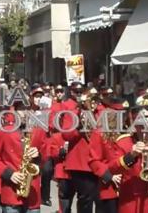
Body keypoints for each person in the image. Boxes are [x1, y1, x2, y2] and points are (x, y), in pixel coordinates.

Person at [107, 107, 148, 213]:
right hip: (132, 204)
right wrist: (130, 156)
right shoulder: (122, 142)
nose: (144, 128)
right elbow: (111, 169)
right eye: (140, 125)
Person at [61, 83, 103, 213]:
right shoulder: (73, 113)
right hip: (81, 163)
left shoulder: (102, 112)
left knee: (101, 198)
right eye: (90, 98)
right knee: (86, 198)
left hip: (99, 160)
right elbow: (66, 134)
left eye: (95, 98)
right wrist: (79, 124)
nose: (93, 102)